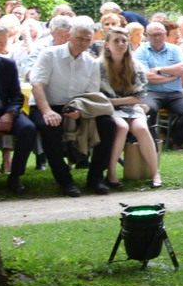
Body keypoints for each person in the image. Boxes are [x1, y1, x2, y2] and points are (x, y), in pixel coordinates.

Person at [27, 18, 117, 196]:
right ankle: (65, 181)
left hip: (78, 106)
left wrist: (80, 112)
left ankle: (96, 178)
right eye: (79, 38)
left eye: (87, 39)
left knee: (108, 124)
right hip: (47, 103)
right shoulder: (49, 54)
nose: (83, 43)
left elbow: (90, 95)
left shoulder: (91, 63)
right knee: (50, 127)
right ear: (69, 36)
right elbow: (37, 86)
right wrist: (47, 111)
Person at [98, 27, 161, 189]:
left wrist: (115, 102)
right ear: (107, 44)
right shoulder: (98, 66)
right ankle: (111, 172)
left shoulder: (136, 65)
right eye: (116, 41)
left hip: (130, 106)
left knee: (141, 127)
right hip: (108, 108)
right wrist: (113, 103)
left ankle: (155, 172)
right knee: (121, 126)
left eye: (124, 41)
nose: (121, 44)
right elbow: (96, 94)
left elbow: (139, 96)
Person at [135, 21, 183, 149]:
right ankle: (152, 142)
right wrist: (172, 76)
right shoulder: (141, 51)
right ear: (147, 35)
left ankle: (174, 141)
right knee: (148, 109)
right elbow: (147, 77)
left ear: (165, 34)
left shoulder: (175, 49)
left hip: (174, 92)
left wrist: (159, 70)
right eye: (153, 35)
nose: (157, 38)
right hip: (151, 92)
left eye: (160, 34)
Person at [0, 45, 36, 194]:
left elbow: (17, 95)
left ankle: (15, 176)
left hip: (5, 109)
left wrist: (10, 113)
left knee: (28, 128)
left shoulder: (7, 64)